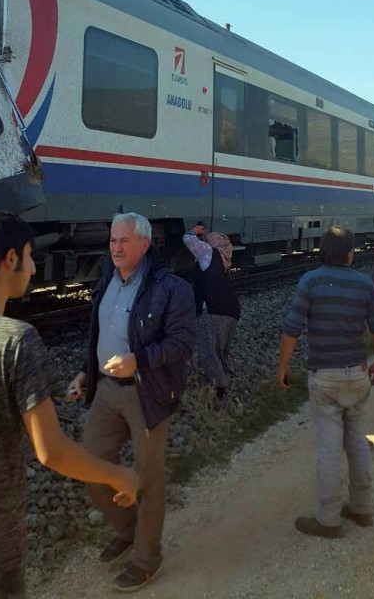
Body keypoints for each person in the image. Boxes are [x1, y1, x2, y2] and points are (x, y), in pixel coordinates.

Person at [0, 211, 137, 599]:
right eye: (30, 256)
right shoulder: (15, 341)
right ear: (10, 259)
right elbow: (52, 452)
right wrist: (118, 476)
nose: (32, 267)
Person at [68, 212, 196, 593]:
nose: (116, 248)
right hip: (106, 388)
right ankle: (128, 531)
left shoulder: (172, 288)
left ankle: (147, 558)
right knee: (90, 466)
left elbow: (183, 344)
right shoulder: (107, 278)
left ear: (144, 243)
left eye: (124, 241)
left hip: (147, 390)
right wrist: (86, 373)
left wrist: (138, 360)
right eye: (112, 241)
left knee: (147, 478)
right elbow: (101, 334)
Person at [277, 226, 374, 539]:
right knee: (356, 442)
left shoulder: (310, 281)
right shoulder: (365, 284)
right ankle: (362, 507)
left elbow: (292, 330)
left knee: (329, 448)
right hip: (357, 374)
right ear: (350, 254)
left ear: (322, 252)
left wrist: (282, 368)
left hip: (325, 377)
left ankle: (328, 518)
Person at [182, 225, 240, 399]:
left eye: (207, 239)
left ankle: (219, 390)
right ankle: (223, 380)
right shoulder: (223, 258)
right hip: (232, 311)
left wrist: (194, 231)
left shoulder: (209, 253)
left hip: (214, 310)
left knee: (208, 351)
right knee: (220, 351)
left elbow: (188, 239)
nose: (204, 241)